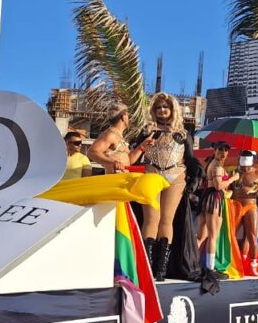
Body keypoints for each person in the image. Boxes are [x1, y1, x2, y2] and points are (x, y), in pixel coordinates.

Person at [137, 92, 198, 280]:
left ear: (173, 109)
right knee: (150, 220)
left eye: (165, 107)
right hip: (151, 174)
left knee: (166, 219)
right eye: (158, 107)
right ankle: (147, 266)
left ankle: (161, 269)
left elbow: (190, 159)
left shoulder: (183, 133)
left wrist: (192, 180)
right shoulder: (147, 130)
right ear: (153, 110)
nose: (162, 110)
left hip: (176, 176)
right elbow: (136, 154)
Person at [200, 143, 240, 275]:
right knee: (213, 235)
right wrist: (232, 178)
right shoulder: (216, 166)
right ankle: (210, 268)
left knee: (203, 235)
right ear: (215, 151)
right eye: (221, 150)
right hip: (214, 199)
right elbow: (218, 186)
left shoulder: (216, 165)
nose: (223, 153)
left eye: (226, 150)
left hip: (212, 199)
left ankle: (191, 262)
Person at [228, 151, 258, 275]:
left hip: (250, 206)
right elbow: (226, 189)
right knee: (230, 234)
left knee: (252, 236)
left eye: (247, 166)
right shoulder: (234, 173)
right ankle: (233, 262)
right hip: (236, 205)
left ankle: (253, 264)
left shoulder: (257, 174)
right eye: (243, 166)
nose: (245, 168)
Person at [88, 103, 149, 174]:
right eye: (128, 116)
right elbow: (91, 152)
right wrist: (113, 162)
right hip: (113, 181)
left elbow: (129, 160)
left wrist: (142, 147)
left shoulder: (119, 136)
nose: (129, 119)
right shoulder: (110, 134)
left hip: (123, 179)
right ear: (123, 117)